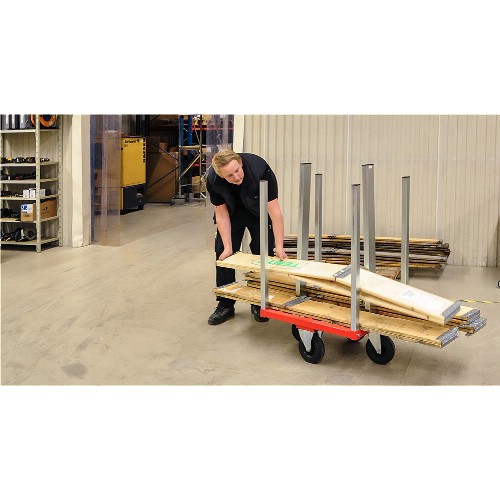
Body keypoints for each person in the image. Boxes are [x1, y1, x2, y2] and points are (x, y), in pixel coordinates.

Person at [206, 149, 288, 325]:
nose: (236, 177)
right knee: (223, 253)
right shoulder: (213, 179)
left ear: (240, 163)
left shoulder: (261, 170)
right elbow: (221, 214)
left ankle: (258, 301)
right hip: (232, 213)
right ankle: (225, 303)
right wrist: (228, 247)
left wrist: (279, 246)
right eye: (230, 175)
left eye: (237, 170)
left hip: (258, 212)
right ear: (221, 175)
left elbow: (275, 212)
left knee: (263, 252)